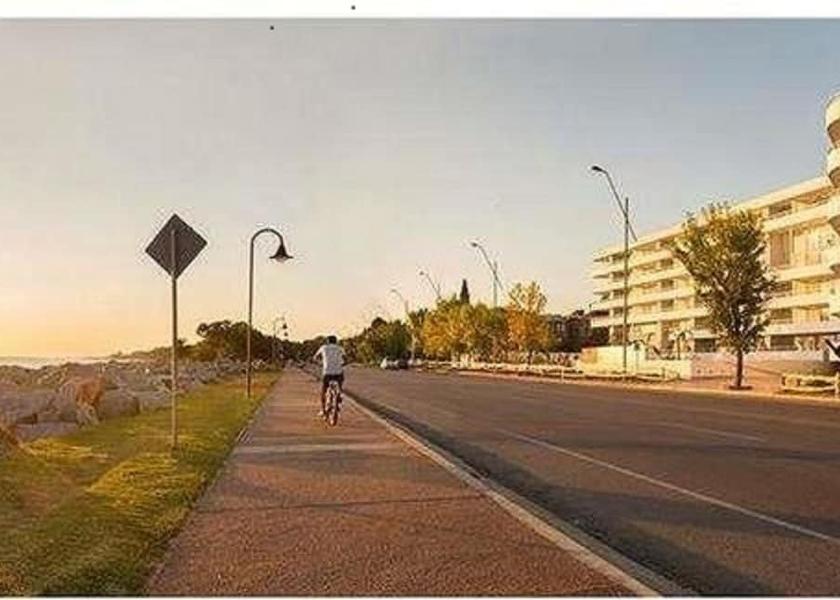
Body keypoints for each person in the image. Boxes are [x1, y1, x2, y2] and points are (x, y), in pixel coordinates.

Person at [313, 335, 345, 416]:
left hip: (327, 372)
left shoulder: (323, 348)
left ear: (327, 341)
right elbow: (346, 358)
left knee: (323, 391)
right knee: (341, 380)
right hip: (338, 372)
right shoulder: (340, 348)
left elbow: (315, 357)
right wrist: (342, 364)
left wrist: (320, 363)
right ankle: (339, 393)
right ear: (336, 341)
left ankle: (323, 410)